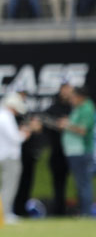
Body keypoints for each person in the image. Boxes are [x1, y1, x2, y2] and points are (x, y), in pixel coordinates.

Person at [0, 93, 41, 224]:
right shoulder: (6, 117)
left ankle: (1, 213)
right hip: (9, 156)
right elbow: (15, 138)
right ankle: (5, 214)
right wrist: (26, 132)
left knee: (3, 186)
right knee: (9, 186)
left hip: (0, 155)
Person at [58, 86, 94, 218]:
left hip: (82, 152)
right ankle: (83, 211)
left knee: (84, 182)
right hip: (74, 152)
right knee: (80, 183)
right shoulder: (79, 109)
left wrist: (66, 125)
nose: (71, 99)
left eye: (73, 96)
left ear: (80, 97)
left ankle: (86, 213)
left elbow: (83, 130)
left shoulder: (87, 108)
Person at [44, 82, 74, 216]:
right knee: (58, 184)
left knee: (80, 182)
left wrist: (69, 124)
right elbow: (46, 124)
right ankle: (59, 211)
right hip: (58, 152)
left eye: (69, 89)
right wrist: (57, 124)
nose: (67, 92)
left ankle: (80, 209)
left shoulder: (77, 108)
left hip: (76, 151)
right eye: (65, 89)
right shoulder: (53, 109)